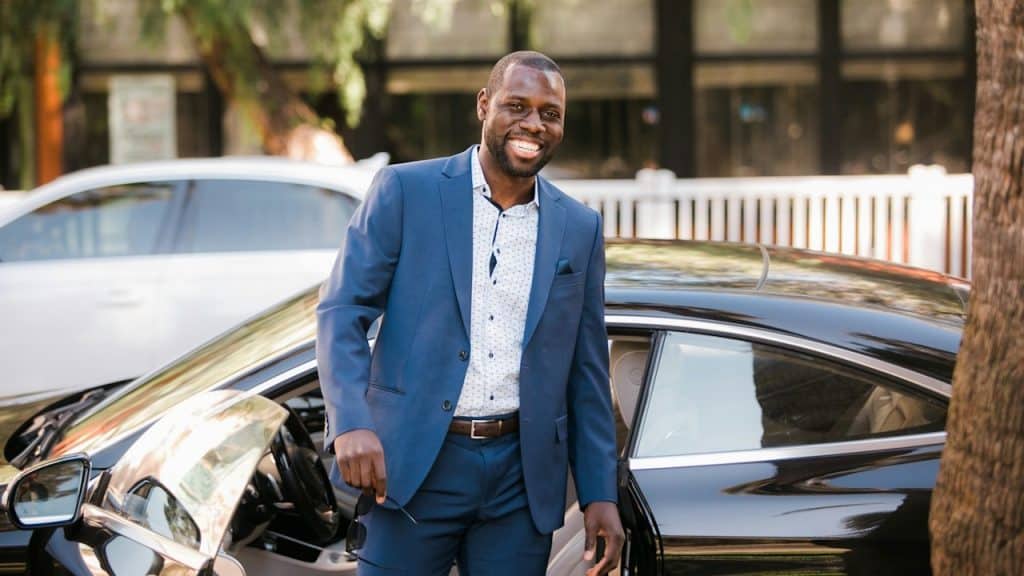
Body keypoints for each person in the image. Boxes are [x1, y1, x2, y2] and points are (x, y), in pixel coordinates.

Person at [317, 50, 624, 576]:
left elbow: (587, 370)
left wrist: (599, 492)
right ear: (484, 105)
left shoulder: (579, 228)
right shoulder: (405, 192)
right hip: (413, 466)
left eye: (550, 114)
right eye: (517, 105)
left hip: (520, 479)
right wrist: (350, 423)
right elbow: (342, 310)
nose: (534, 124)